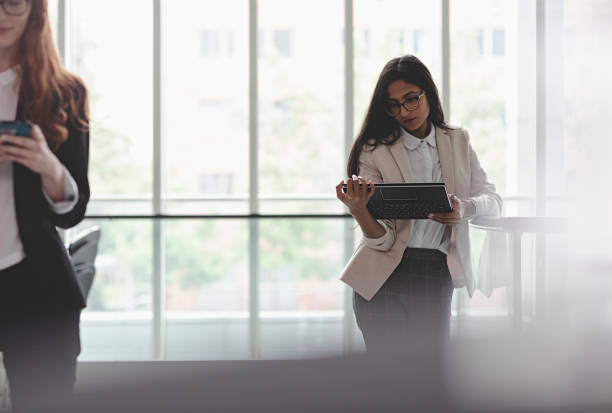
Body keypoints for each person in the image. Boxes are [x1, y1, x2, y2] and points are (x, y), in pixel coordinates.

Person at [336, 55, 501, 352]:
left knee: (427, 380)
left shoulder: (458, 140)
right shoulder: (375, 150)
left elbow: (493, 201)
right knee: (389, 382)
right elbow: (381, 240)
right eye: (394, 104)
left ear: (429, 93)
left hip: (436, 272)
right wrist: (360, 212)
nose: (404, 111)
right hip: (383, 275)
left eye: (411, 99)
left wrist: (465, 208)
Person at [0, 0, 90, 410]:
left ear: (36, 10)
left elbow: (73, 209)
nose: (1, 14)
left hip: (37, 289)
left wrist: (47, 166)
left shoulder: (63, 93)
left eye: (12, 2)